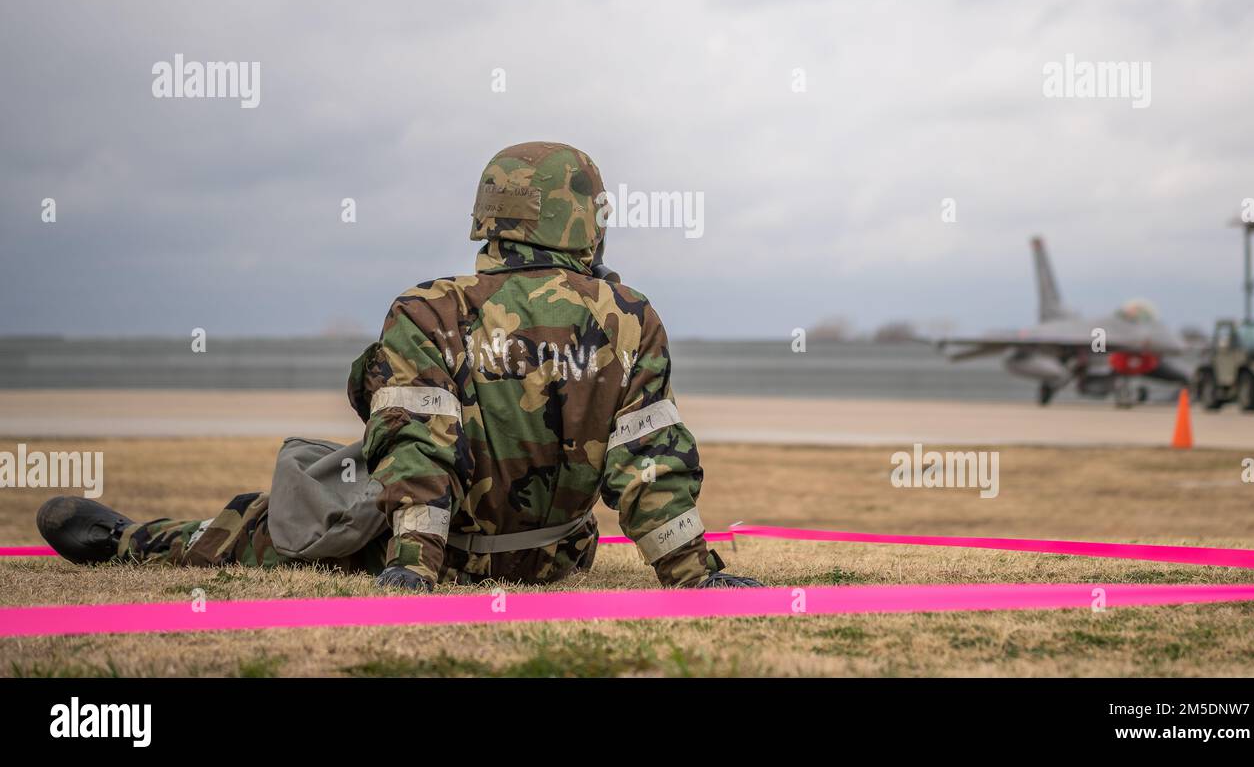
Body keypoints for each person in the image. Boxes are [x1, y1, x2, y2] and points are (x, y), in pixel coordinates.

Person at [38, 141, 759, 590]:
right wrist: (693, 576)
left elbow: (418, 447)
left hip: (434, 557)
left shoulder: (428, 310)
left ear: (493, 218)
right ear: (580, 221)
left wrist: (413, 567)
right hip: (552, 561)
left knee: (271, 519)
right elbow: (647, 461)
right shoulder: (630, 317)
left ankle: (129, 541)